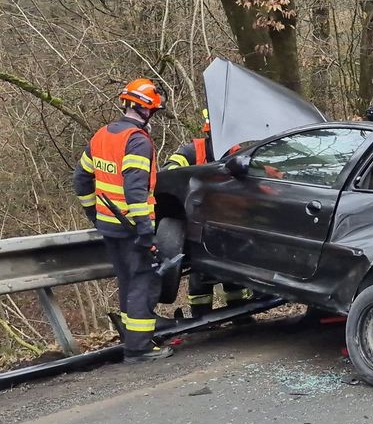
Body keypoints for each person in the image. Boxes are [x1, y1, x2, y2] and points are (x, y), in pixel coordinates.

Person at [73, 79, 175, 362]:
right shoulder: (138, 141)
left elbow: (81, 180)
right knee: (144, 280)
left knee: (128, 280)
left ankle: (134, 338)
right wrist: (145, 232)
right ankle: (139, 348)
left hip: (110, 226)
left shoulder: (102, 135)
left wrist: (94, 214)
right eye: (153, 111)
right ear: (145, 110)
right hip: (131, 227)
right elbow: (135, 190)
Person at [163, 109, 254, 318]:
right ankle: (202, 318)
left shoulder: (237, 151)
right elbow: (169, 171)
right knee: (200, 276)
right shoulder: (192, 150)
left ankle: (241, 317)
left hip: (230, 222)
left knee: (234, 276)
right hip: (200, 223)